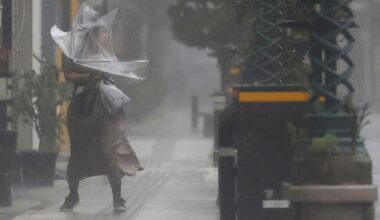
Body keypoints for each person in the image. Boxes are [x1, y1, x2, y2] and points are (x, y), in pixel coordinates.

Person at [59, 57, 143, 212]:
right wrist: (87, 76)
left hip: (106, 105)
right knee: (78, 153)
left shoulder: (103, 50)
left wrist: (99, 73)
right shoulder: (74, 51)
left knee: (109, 150)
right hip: (82, 107)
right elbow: (68, 75)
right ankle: (72, 195)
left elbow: (106, 72)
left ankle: (117, 199)